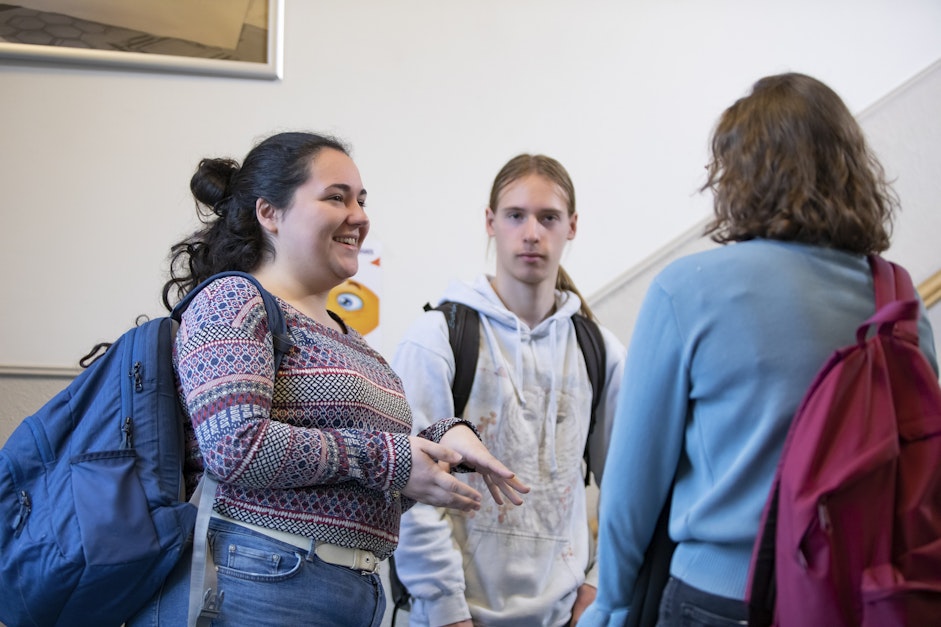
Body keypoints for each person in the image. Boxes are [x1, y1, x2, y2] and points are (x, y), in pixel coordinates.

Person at [579, 72, 939, 627]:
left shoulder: (687, 290)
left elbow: (632, 489)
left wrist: (612, 603)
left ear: (738, 175)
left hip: (721, 597)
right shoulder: (896, 297)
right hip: (856, 593)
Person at [128, 131, 530, 627]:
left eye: (361, 200)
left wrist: (440, 444)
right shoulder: (233, 299)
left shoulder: (349, 337)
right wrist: (393, 459)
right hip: (259, 584)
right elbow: (235, 446)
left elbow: (354, 480)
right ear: (269, 212)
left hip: (347, 590)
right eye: (336, 198)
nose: (359, 216)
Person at [390, 154, 626, 626]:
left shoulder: (600, 350)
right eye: (516, 215)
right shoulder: (437, 339)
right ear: (490, 222)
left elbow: (626, 483)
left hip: (566, 615)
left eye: (548, 217)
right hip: (455, 616)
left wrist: (601, 583)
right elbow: (414, 490)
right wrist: (445, 609)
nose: (532, 233)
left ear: (572, 226)